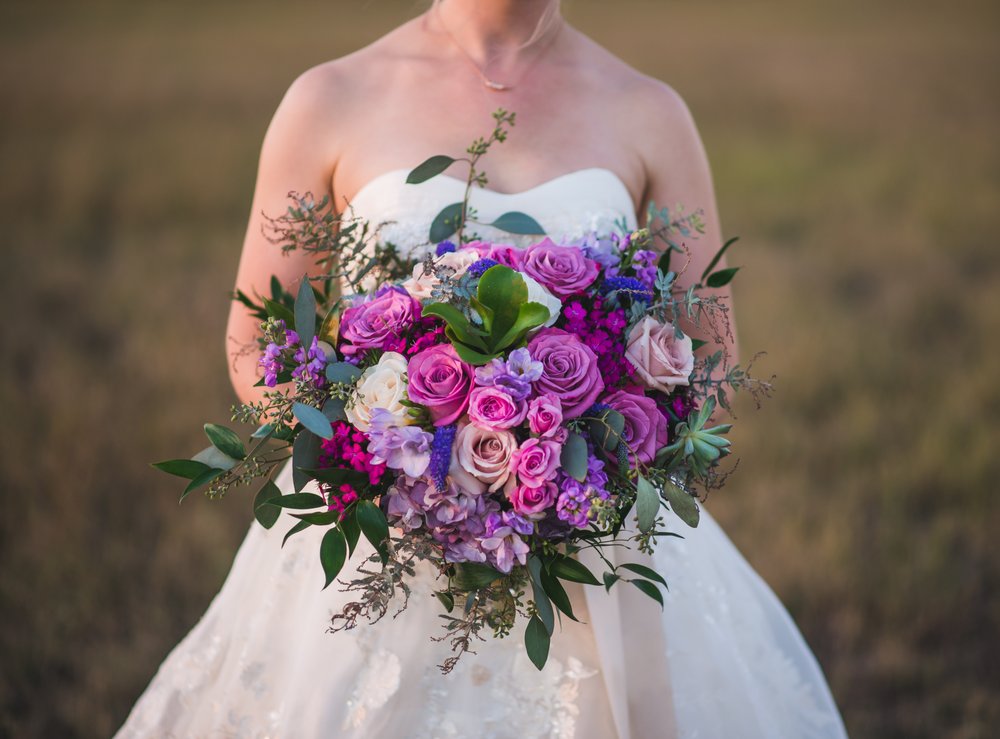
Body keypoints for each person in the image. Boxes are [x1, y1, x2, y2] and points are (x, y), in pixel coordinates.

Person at [116, 1, 850, 736]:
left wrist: (575, 471)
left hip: (591, 544)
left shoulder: (650, 111)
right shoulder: (329, 97)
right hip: (381, 538)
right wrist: (383, 466)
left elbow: (712, 358)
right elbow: (255, 343)